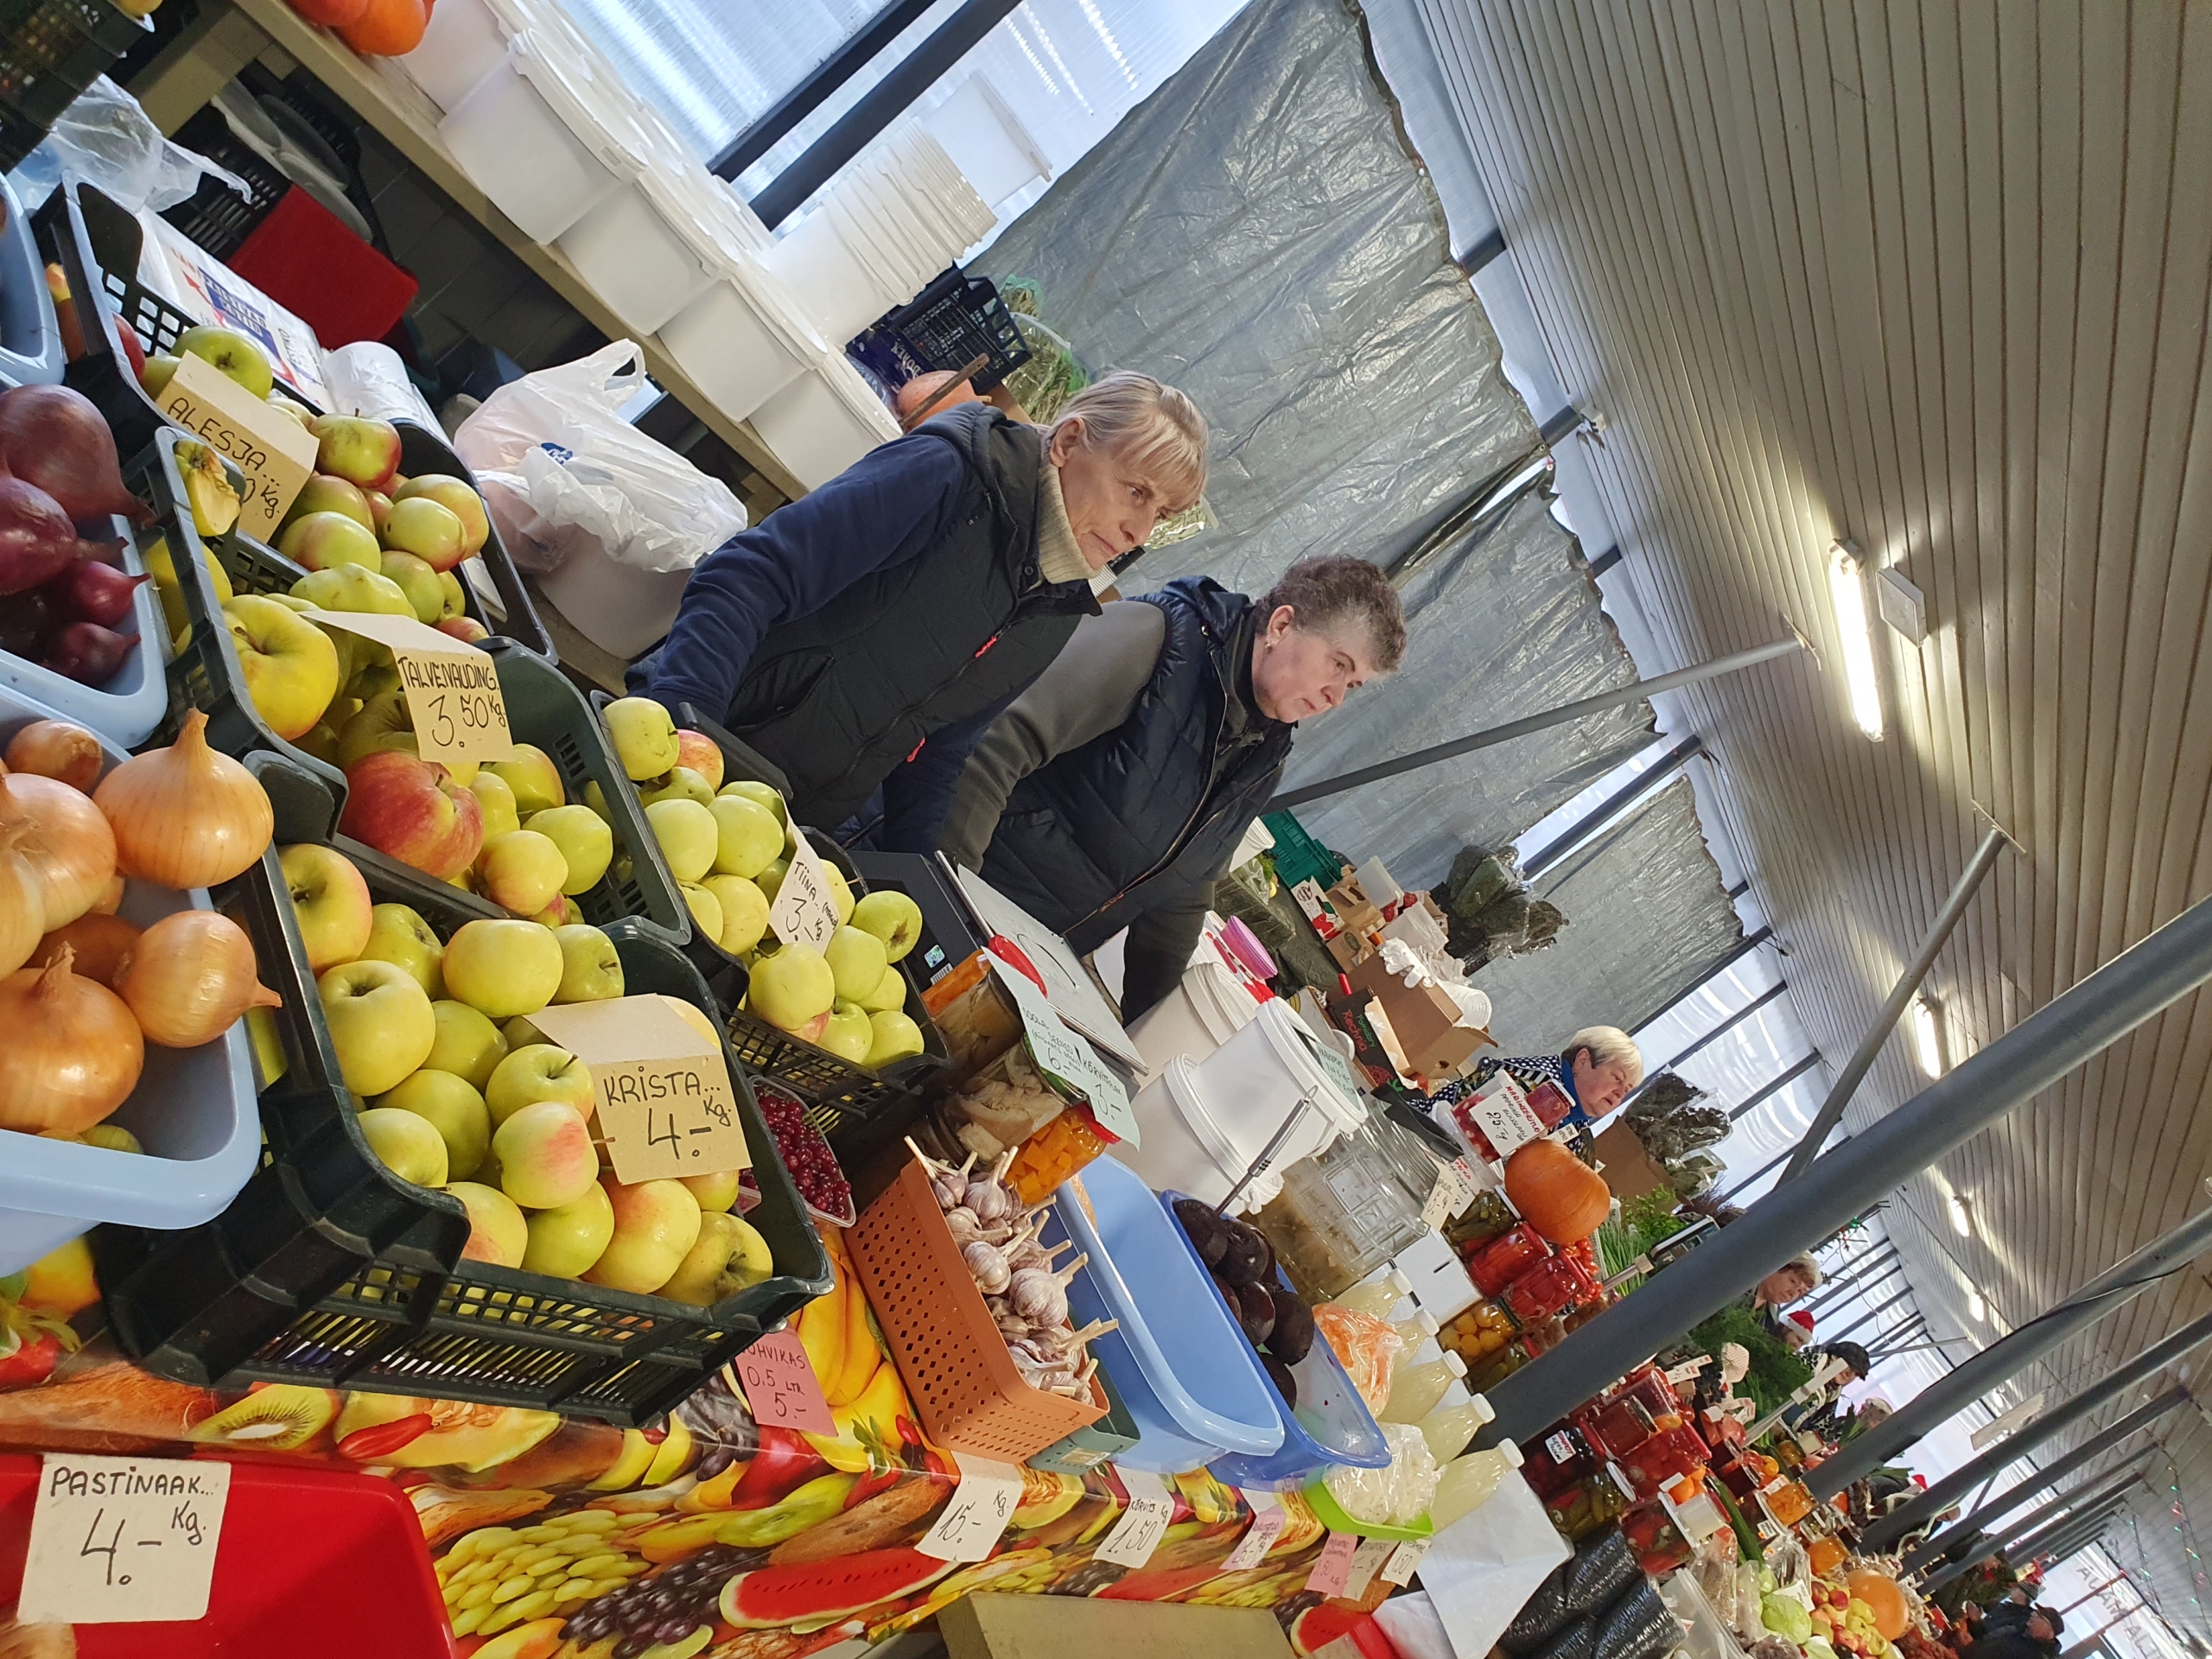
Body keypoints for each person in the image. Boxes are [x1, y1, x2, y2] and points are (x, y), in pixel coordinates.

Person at [631, 372, 1209, 833]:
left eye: (1160, 514)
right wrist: (686, 725)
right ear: (1069, 441)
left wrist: (926, 876)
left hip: (772, 822)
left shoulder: (1055, 609)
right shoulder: (947, 475)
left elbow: (940, 747)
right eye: (1136, 491)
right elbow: (748, 577)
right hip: (679, 749)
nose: (1139, 530)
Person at [938, 554, 1407, 1020]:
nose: (1335, 697)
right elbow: (992, 748)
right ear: (1281, 626)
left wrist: (1148, 1027)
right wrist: (947, 906)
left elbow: (1185, 891)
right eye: (1338, 664)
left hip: (1022, 957)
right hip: (952, 906)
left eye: (1353, 685)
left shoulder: (1265, 754)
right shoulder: (1157, 640)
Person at [1433, 1027, 1647, 1131]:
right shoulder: (1532, 1082)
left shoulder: (1579, 1128)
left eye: (1627, 1090)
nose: (1619, 1094)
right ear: (1582, 1061)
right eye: (1617, 1078)